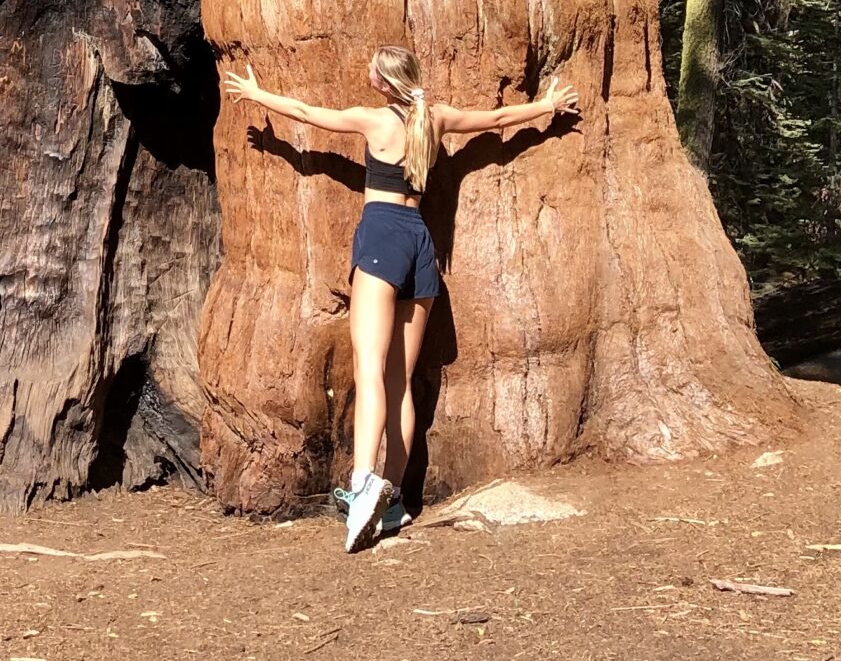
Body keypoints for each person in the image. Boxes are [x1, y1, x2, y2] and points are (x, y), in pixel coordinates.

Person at [221, 46, 580, 552]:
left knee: (370, 370)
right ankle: (391, 502)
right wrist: (546, 107)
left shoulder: (372, 120)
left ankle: (364, 484)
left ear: (385, 84)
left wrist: (257, 95)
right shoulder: (436, 119)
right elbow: (498, 119)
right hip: (421, 245)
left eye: (371, 67)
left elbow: (306, 114)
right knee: (400, 382)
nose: (364, 71)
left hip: (383, 237)